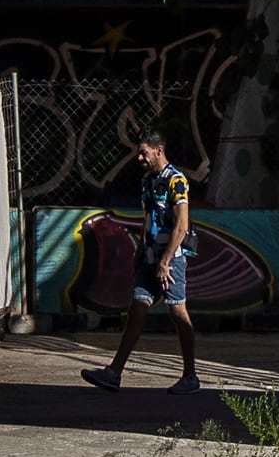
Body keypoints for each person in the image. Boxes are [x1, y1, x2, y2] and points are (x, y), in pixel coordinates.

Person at [83, 128, 201, 393]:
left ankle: (190, 376)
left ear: (158, 150)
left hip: (172, 260)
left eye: (143, 153)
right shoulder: (148, 180)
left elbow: (181, 227)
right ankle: (114, 373)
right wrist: (140, 251)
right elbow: (148, 218)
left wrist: (166, 260)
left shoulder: (177, 180)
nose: (140, 158)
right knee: (136, 309)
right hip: (149, 258)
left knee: (177, 311)